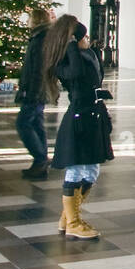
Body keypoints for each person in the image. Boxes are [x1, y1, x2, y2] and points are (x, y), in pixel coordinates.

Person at [45, 16, 114, 241]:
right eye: (82, 37)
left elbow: (96, 78)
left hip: (93, 116)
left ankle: (68, 218)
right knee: (76, 169)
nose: (87, 40)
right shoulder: (64, 61)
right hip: (79, 119)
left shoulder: (86, 54)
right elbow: (74, 73)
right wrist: (72, 45)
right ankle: (72, 222)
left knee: (91, 170)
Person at [14, 7, 53, 179]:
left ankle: (40, 158)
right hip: (38, 88)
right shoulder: (40, 37)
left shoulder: (40, 39)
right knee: (37, 123)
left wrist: (33, 91)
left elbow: (39, 69)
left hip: (36, 90)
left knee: (23, 123)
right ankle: (41, 160)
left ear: (36, 20)